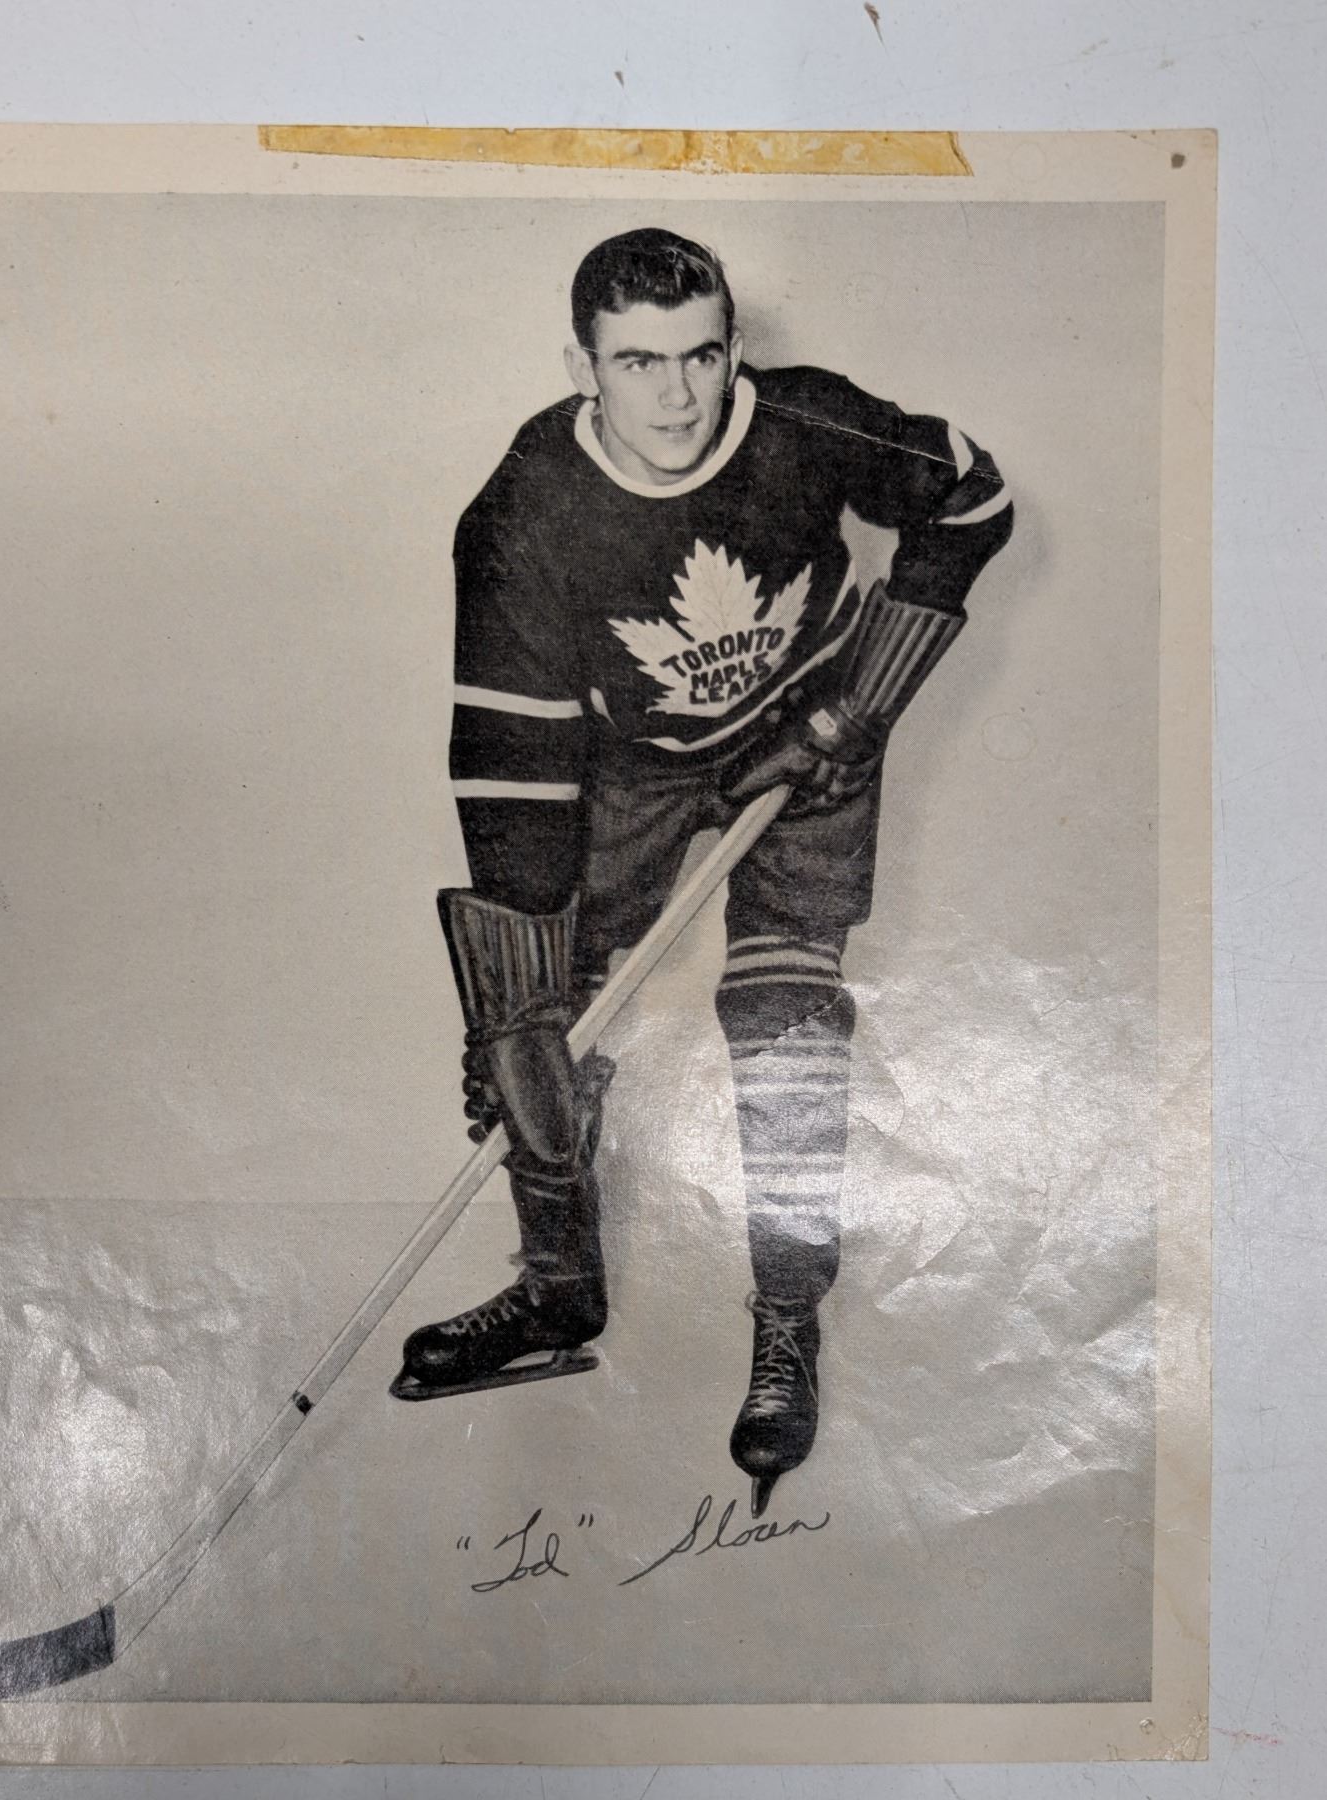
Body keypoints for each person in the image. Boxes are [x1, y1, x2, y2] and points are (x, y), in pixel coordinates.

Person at [390, 227, 1014, 1517]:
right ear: (583, 367)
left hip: (807, 735)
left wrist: (849, 717)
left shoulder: (802, 423)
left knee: (787, 1024)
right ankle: (558, 1291)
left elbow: (971, 500)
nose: (677, 396)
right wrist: (515, 1007)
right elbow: (514, 764)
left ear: (734, 348)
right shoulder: (521, 515)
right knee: (538, 1030)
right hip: (632, 764)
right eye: (638, 363)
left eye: (700, 356)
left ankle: (786, 1321)